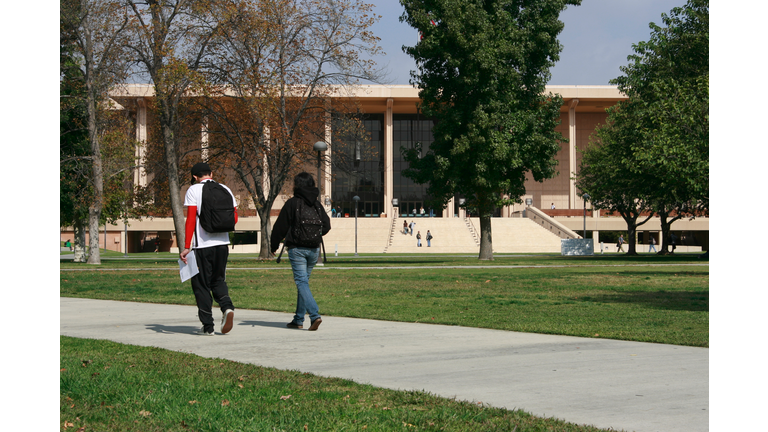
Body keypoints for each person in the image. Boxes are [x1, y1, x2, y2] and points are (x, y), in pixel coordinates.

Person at [180, 162, 238, 336]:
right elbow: (234, 217)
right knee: (218, 280)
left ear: (194, 177)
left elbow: (191, 219)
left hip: (202, 246)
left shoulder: (193, 190)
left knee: (201, 285)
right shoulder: (225, 189)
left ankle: (208, 326)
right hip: (222, 244)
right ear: (211, 173)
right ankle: (227, 307)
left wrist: (185, 246)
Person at [271, 172, 331, 331]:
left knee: (301, 282)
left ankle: (314, 315)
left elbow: (280, 227)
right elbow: (327, 225)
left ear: (297, 185)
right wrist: (316, 236)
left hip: (297, 249)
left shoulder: (293, 203)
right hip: (313, 249)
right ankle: (298, 319)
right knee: (303, 283)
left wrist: (273, 245)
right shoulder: (317, 204)